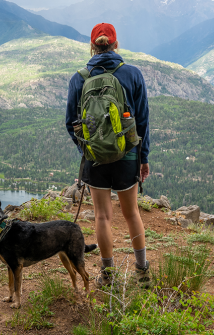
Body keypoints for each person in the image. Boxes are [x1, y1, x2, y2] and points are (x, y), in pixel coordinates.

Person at [65, 23, 150, 287]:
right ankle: (142, 272)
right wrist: (143, 157)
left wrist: (87, 150)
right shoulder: (133, 74)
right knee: (131, 213)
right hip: (127, 156)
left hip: (95, 160)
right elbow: (143, 122)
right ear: (115, 45)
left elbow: (71, 123)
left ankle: (109, 274)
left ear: (92, 46)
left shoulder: (79, 78)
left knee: (102, 216)